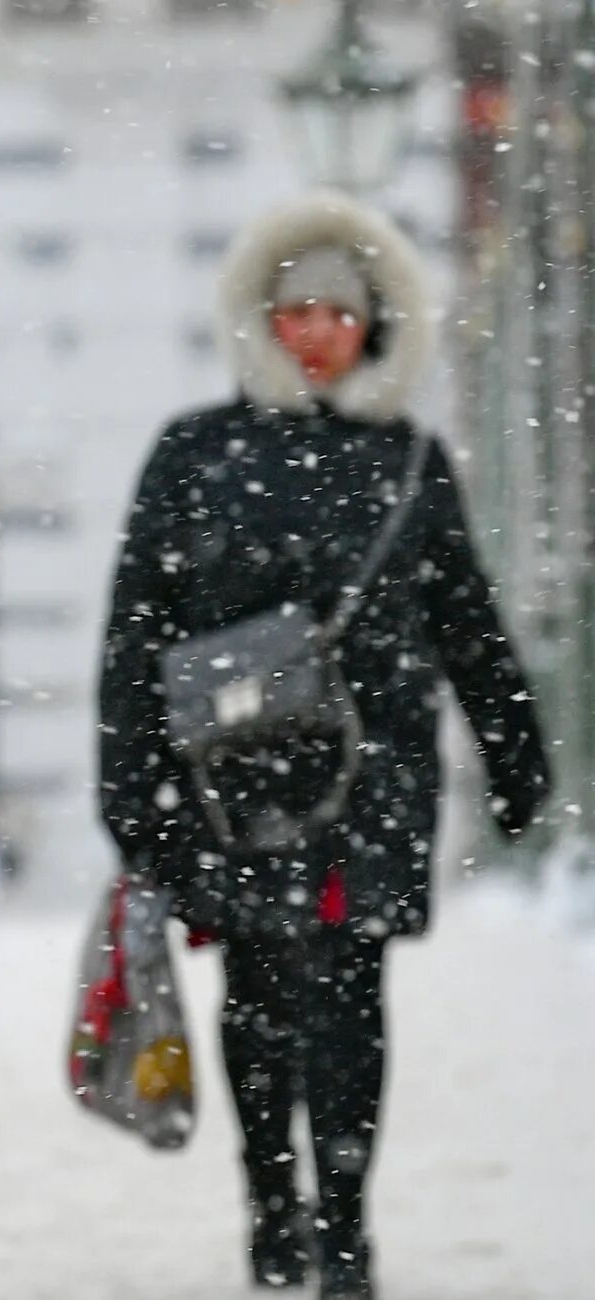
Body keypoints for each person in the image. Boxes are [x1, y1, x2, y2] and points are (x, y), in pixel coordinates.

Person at [98, 192, 549, 1300]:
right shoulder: (195, 455)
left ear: (374, 325)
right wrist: (134, 788)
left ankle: (343, 1223)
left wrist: (514, 754)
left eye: (338, 314)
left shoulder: (407, 463)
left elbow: (465, 622)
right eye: (295, 309)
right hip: (233, 784)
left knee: (349, 998)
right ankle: (270, 1207)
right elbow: (138, 630)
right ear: (263, 318)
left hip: (371, 781)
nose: (315, 333)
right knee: (257, 999)